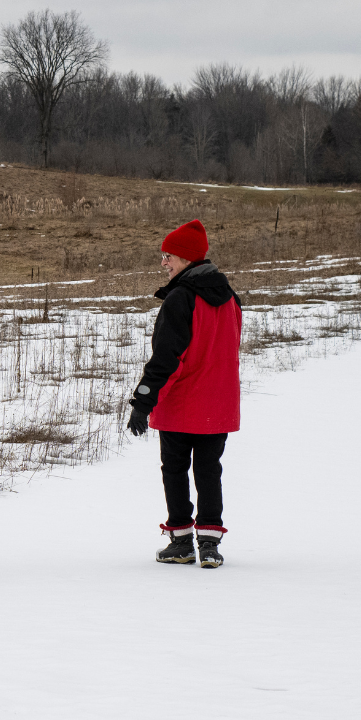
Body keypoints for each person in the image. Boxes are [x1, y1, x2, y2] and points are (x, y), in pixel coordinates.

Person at [126, 219, 241, 569]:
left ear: (187, 259)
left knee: (174, 470)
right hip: (218, 404)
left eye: (169, 255)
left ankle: (180, 543)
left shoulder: (180, 298)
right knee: (209, 471)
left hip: (181, 403)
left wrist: (142, 403)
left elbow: (166, 358)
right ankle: (209, 544)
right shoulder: (230, 297)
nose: (164, 262)